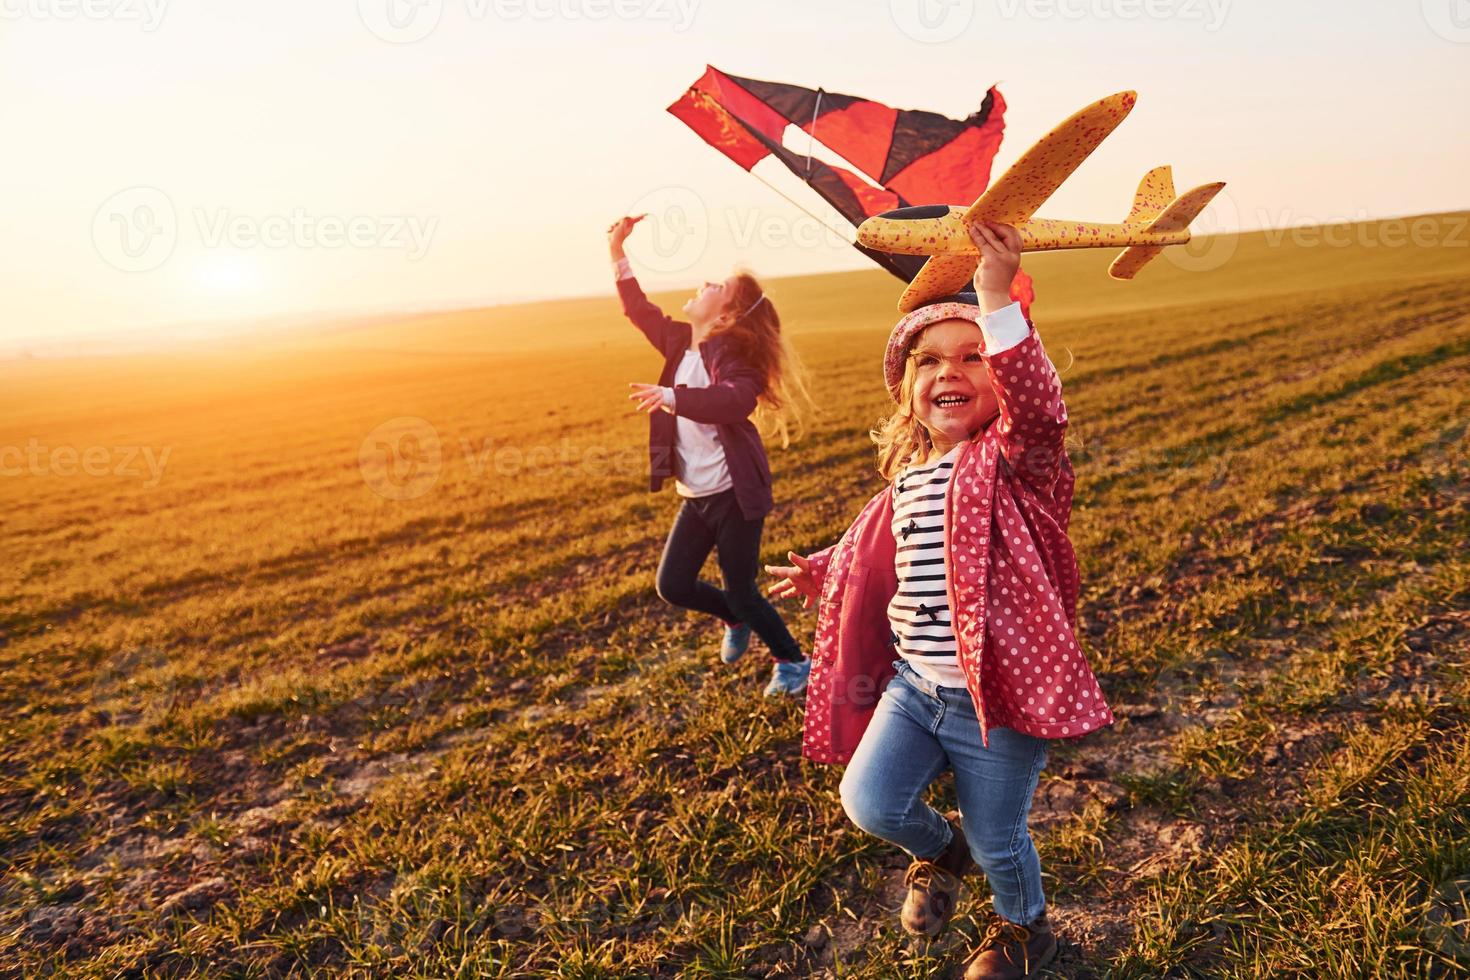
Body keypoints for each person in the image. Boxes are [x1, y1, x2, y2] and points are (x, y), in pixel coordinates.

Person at [766, 221, 1114, 977]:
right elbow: (880, 543)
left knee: (1001, 841)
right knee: (870, 802)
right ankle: (939, 851)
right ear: (905, 385)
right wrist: (824, 570)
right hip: (915, 687)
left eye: (972, 356)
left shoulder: (1019, 461)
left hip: (998, 700)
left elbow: (1041, 410)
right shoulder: (912, 472)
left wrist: (994, 295)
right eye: (927, 359)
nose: (947, 371)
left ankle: (1024, 930)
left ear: (1000, 378)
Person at [608, 214, 813, 696]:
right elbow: (637, 309)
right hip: (696, 494)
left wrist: (673, 397)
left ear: (725, 316)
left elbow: (735, 399)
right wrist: (617, 250)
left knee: (742, 588)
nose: (702, 284)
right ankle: (732, 619)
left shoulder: (733, 357)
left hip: (733, 494)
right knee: (673, 585)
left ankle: (792, 662)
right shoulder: (680, 341)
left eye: (716, 285)